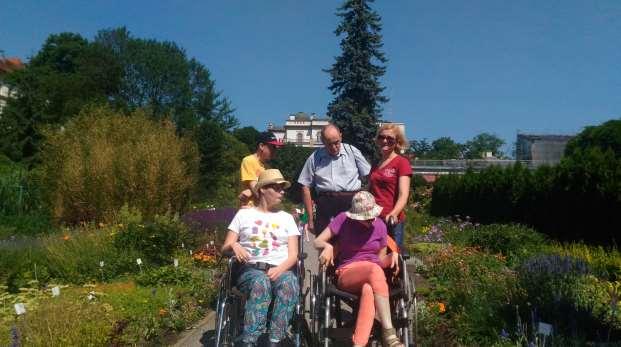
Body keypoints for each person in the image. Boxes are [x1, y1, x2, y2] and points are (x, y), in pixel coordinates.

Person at [314, 191, 404, 347]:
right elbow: (317, 241)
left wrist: (393, 255)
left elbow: (380, 260)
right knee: (374, 270)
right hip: (347, 272)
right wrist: (328, 246)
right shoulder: (343, 219)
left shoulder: (380, 226)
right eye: (366, 218)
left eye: (372, 216)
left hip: (373, 277)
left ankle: (359, 344)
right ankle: (389, 333)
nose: (370, 220)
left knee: (369, 288)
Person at [222, 169, 300, 347]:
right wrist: (235, 245)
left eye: (283, 188)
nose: (282, 191)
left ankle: (275, 339)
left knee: (289, 283)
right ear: (263, 189)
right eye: (277, 187)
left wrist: (280, 269)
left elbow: (293, 255)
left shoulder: (287, 218)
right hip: (249, 270)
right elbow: (225, 247)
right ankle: (250, 340)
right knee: (260, 283)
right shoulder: (243, 215)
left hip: (280, 269)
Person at [297, 124, 371, 234]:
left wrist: (366, 203)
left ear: (341, 136)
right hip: (326, 206)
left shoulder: (352, 151)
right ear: (323, 141)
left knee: (353, 244)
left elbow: (369, 175)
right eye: (329, 144)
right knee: (325, 245)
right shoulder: (315, 157)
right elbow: (305, 186)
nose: (334, 147)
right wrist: (310, 219)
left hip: (351, 204)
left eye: (336, 142)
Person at [369, 124, 412, 249]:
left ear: (397, 142)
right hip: (373, 219)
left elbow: (404, 194)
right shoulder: (376, 164)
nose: (385, 141)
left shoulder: (401, 163)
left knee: (392, 258)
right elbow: (371, 190)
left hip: (391, 221)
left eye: (390, 138)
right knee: (373, 256)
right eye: (381, 137)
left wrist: (394, 213)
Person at [239, 132, 284, 207]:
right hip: (249, 207)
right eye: (272, 147)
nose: (275, 150)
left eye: (275, 147)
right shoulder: (249, 160)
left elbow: (262, 190)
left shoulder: (265, 167)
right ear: (261, 146)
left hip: (261, 208)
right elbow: (255, 188)